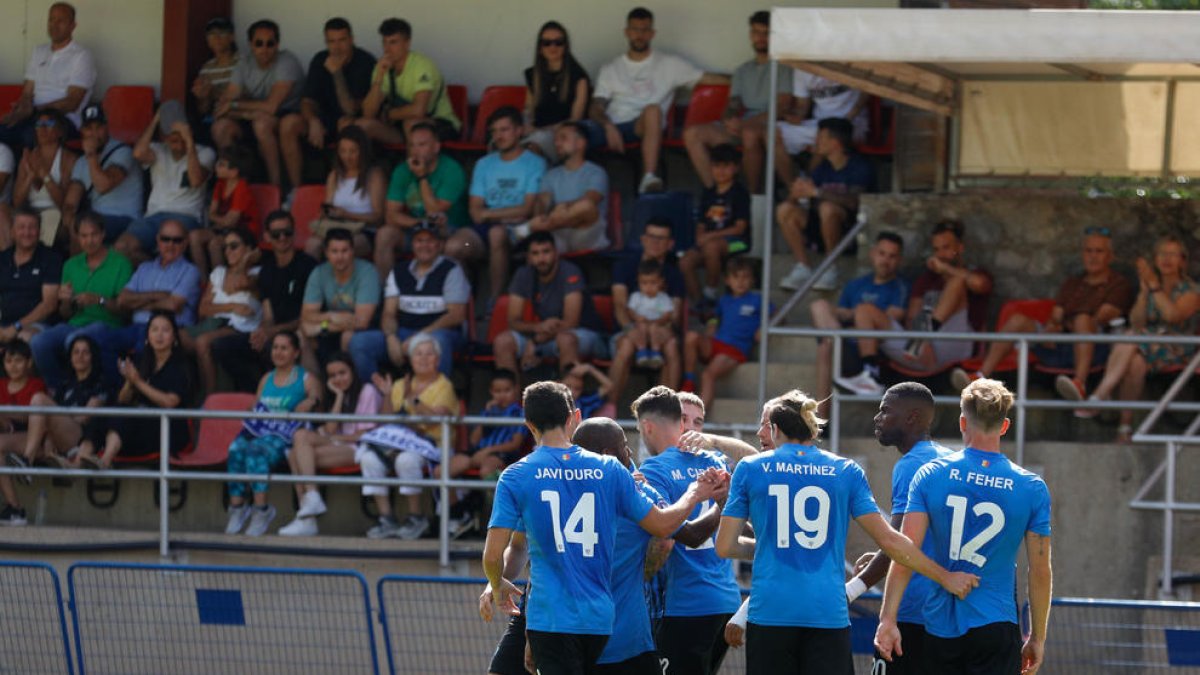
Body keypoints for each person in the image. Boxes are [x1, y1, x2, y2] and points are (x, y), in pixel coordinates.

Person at [716, 389, 979, 674]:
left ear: (775, 429)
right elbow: (891, 540)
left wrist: (768, 548)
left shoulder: (751, 468)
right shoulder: (845, 470)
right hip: (828, 614)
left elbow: (724, 547)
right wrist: (944, 576)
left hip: (770, 614)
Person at [481, 380, 728, 674]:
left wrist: (495, 584)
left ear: (528, 424)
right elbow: (665, 529)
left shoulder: (516, 476)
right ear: (574, 417)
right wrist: (697, 494)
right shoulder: (613, 471)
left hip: (550, 615)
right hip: (601, 619)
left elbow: (500, 555)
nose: (631, 455)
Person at [875, 379, 1052, 675]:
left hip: (940, 625)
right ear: (1005, 426)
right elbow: (1040, 570)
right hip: (996, 624)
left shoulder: (929, 474)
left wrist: (888, 619)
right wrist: (1037, 637)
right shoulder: (1031, 487)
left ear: (961, 422)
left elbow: (905, 550)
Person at [839, 382, 953, 675]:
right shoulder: (951, 460)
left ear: (912, 417)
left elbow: (898, 544)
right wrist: (879, 556)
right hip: (951, 613)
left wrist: (851, 590)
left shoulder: (911, 465)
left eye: (885, 411)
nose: (877, 418)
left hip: (912, 612)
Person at [632, 386, 741, 675]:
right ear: (680, 424)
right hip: (726, 600)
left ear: (647, 427)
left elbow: (670, 540)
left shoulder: (654, 470)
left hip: (685, 605)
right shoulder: (715, 462)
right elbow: (752, 456)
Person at [952, 227, 1134, 399]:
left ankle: (1080, 383)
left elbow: (1100, 318)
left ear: (1110, 256)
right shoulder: (1074, 283)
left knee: (1082, 320)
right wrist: (1052, 326)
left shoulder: (1118, 284)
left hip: (1095, 346)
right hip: (1061, 341)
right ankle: (980, 377)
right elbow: (1057, 313)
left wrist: (1067, 323)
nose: (1092, 257)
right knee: (1017, 321)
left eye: (1098, 251)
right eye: (1088, 251)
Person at [841, 219, 993, 395]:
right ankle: (871, 376)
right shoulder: (926, 280)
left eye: (946, 248)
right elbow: (912, 317)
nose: (940, 254)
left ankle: (924, 334)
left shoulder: (973, 273)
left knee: (956, 281)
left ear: (960, 247)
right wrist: (920, 339)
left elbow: (980, 284)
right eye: (936, 250)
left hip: (955, 343)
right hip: (918, 348)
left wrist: (946, 269)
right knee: (865, 309)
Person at [1078, 235, 1200, 442]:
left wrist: (1154, 288)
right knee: (1135, 362)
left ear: (1182, 261)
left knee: (1131, 339)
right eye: (1162, 254)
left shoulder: (1191, 291)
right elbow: (1136, 321)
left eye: (1172, 254)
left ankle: (1099, 395)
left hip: (1177, 347)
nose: (1166, 259)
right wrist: (1144, 294)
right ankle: (1124, 428)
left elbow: (1173, 316)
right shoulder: (1151, 288)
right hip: (1145, 344)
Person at [591, 7, 724, 194]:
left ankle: (649, 178)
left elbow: (706, 78)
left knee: (653, 110)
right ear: (627, 32)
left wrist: (742, 81)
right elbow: (597, 106)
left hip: (642, 128)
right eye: (635, 29)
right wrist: (607, 126)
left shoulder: (669, 64)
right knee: (572, 136)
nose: (640, 35)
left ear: (652, 34)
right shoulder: (611, 68)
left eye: (645, 30)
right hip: (611, 127)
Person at [223, 331, 321, 537]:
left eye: (284, 348)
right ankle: (237, 509)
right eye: (275, 347)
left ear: (296, 353)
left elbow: (317, 403)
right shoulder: (266, 378)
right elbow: (257, 406)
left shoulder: (306, 378)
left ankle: (261, 511)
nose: (278, 352)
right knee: (235, 449)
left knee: (255, 452)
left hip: (284, 437)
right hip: (260, 430)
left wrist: (311, 402)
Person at [682, 11, 792, 193]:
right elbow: (734, 103)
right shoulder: (743, 70)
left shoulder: (784, 67)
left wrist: (747, 123)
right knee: (692, 134)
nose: (760, 38)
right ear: (750, 35)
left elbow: (783, 106)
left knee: (749, 133)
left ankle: (752, 196)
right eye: (756, 32)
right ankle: (717, 194)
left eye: (766, 33)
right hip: (744, 126)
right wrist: (729, 120)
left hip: (769, 127)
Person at [362, 334, 459, 540]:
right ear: (411, 359)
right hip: (401, 442)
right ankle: (386, 518)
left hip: (434, 445)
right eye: (418, 354)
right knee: (369, 458)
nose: (423, 358)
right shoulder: (400, 384)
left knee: (406, 460)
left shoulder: (444, 385)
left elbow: (435, 420)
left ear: (438, 360)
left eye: (429, 354)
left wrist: (412, 400)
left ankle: (416, 517)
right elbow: (386, 420)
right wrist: (388, 394)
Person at [278, 352, 383, 537]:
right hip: (339, 444)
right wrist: (339, 397)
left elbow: (366, 434)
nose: (338, 379)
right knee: (298, 442)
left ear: (352, 371)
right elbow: (331, 430)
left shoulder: (367, 390)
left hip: (361, 448)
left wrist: (337, 439)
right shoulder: (337, 393)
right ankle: (311, 500)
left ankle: (307, 517)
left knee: (298, 454)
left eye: (342, 373)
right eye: (333, 376)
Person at [212, 211, 316, 392]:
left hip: (301, 331)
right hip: (275, 333)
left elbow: (307, 317)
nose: (282, 237)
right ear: (267, 237)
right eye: (276, 234)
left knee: (272, 346)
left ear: (295, 233)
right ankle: (254, 395)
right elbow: (268, 314)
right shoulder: (267, 270)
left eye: (287, 232)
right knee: (222, 346)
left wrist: (269, 332)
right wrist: (261, 332)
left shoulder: (308, 265)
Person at [350, 220, 469, 377]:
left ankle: (436, 396)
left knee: (438, 340)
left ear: (440, 245)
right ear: (412, 244)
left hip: (441, 333)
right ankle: (376, 394)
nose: (424, 246)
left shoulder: (451, 269)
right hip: (403, 333)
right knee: (359, 342)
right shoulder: (399, 271)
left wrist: (419, 338)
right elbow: (389, 313)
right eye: (419, 241)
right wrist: (391, 337)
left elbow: (456, 315)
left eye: (430, 241)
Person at [74, 311, 191, 469]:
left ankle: (105, 460)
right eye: (154, 330)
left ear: (174, 337)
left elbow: (169, 402)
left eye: (165, 330)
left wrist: (138, 381)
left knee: (125, 417)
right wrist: (129, 381)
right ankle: (77, 463)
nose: (159, 335)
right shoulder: (141, 360)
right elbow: (123, 399)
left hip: (166, 430)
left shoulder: (179, 366)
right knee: (103, 415)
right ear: (147, 336)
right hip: (138, 427)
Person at [30, 212, 131, 391]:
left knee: (74, 340)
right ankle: (59, 390)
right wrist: (66, 301)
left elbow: (125, 310)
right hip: (75, 323)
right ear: (77, 237)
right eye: (84, 236)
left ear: (103, 234)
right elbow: (65, 313)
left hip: (106, 325)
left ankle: (83, 390)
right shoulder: (71, 264)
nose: (89, 241)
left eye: (94, 235)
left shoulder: (121, 263)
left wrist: (98, 300)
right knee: (38, 342)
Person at [776, 117, 875, 292]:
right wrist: (796, 194)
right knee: (784, 209)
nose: (816, 142)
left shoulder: (859, 166)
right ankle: (803, 266)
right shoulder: (822, 168)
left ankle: (831, 268)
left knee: (827, 208)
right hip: (819, 228)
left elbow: (854, 202)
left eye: (821, 138)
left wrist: (817, 192)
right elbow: (800, 200)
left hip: (849, 233)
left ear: (835, 142)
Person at [98, 219, 201, 383]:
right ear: (158, 240)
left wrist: (138, 303)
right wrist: (158, 295)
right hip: (137, 327)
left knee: (143, 349)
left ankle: (140, 397)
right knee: (100, 343)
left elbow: (173, 304)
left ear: (186, 242)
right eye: (166, 239)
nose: (170, 244)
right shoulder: (144, 268)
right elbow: (123, 300)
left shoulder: (191, 271)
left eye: (177, 240)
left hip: (169, 330)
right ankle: (119, 395)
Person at [280, 18, 375, 192]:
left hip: (354, 121)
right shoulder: (320, 59)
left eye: (342, 40)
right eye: (331, 41)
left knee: (345, 124)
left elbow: (351, 109)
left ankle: (344, 189)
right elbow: (307, 101)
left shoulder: (365, 62)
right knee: (289, 123)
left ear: (352, 39)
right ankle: (296, 191)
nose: (337, 47)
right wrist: (313, 120)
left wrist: (337, 73)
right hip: (325, 119)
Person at [493, 231, 606, 377]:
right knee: (503, 341)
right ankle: (510, 398)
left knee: (565, 339)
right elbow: (513, 321)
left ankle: (568, 397)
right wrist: (537, 327)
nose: (541, 258)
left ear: (556, 253)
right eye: (535, 253)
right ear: (529, 257)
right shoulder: (523, 274)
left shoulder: (570, 272)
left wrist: (535, 340)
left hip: (584, 333)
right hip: (546, 333)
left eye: (546, 252)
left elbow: (571, 322)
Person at [210, 19, 305, 191]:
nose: (265, 49)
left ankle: (275, 188)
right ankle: (231, 187)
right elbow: (223, 106)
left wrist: (235, 105)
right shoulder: (243, 64)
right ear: (251, 45)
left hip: (286, 115)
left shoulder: (287, 61)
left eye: (270, 43)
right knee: (220, 127)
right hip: (254, 115)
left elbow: (271, 107)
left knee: (261, 123)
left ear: (277, 44)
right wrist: (239, 109)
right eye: (259, 43)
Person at [814, 232, 906, 407]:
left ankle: (822, 419)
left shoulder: (900, 286)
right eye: (882, 253)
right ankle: (822, 426)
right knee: (819, 306)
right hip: (848, 342)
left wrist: (856, 314)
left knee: (826, 348)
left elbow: (895, 317)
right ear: (872, 253)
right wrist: (852, 318)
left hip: (877, 348)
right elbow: (840, 314)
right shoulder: (855, 285)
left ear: (899, 260)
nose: (885, 260)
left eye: (892, 256)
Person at [466, 107, 546, 303]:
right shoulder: (483, 164)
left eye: (504, 130)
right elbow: (476, 213)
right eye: (494, 131)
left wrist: (489, 214)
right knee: (456, 246)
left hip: (521, 230)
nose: (498, 136)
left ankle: (495, 301)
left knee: (497, 234)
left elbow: (527, 209)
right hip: (485, 229)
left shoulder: (535, 163)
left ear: (519, 131)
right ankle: (463, 305)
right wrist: (500, 216)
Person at [605, 219, 686, 412]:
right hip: (629, 329)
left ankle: (668, 410)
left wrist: (659, 329)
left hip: (660, 329)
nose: (655, 242)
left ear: (670, 243)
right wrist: (630, 330)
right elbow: (619, 304)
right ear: (643, 239)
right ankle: (609, 407)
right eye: (651, 237)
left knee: (672, 345)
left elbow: (674, 314)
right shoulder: (625, 266)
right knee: (625, 345)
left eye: (661, 238)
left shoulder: (674, 274)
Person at [118, 110, 215, 265]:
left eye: (182, 138)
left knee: (169, 248)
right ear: (166, 137)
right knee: (121, 248)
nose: (178, 143)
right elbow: (137, 154)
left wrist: (189, 141)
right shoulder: (158, 149)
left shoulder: (205, 153)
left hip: (186, 217)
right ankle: (154, 268)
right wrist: (157, 119)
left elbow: (196, 180)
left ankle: (162, 269)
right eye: (174, 139)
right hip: (153, 216)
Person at [0, 2, 96, 150]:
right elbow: (27, 92)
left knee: (29, 134)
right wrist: (22, 109)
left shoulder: (81, 56)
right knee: (4, 129)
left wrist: (35, 110)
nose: (54, 25)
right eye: (51, 20)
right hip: (34, 115)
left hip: (63, 119)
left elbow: (72, 102)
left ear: (73, 25)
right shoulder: (39, 51)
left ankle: (28, 173)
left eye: (60, 21)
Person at [353, 18, 460, 145]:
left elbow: (419, 110)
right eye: (384, 43)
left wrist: (388, 115)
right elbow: (368, 113)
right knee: (361, 125)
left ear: (407, 43)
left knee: (412, 124)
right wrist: (379, 77)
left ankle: (413, 165)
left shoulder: (422, 65)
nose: (387, 49)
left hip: (439, 123)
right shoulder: (382, 67)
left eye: (393, 42)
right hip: (401, 125)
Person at [12, 335, 108, 474]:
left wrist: (52, 427)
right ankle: (13, 493)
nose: (80, 356)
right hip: (53, 437)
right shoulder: (65, 385)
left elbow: (84, 418)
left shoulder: (100, 384)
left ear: (93, 356)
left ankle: (27, 460)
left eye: (85, 352)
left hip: (80, 439)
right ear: (70, 357)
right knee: (2, 443)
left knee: (39, 399)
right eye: (76, 352)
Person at [683, 257, 770, 411]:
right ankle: (689, 381)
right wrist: (712, 324)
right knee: (691, 337)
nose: (741, 282)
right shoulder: (724, 300)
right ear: (728, 281)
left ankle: (697, 417)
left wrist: (765, 326)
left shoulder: (757, 299)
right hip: (717, 343)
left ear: (752, 280)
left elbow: (779, 316)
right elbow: (714, 317)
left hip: (735, 349)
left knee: (708, 374)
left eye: (745, 277)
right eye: (736, 277)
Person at [379, 122, 469, 269]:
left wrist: (422, 177)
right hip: (417, 229)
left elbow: (435, 213)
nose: (415, 151)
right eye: (412, 145)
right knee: (384, 234)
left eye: (422, 145)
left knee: (455, 244)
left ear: (436, 147)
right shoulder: (402, 170)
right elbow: (391, 215)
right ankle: (387, 289)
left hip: (452, 232)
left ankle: (453, 290)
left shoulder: (452, 170)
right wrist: (419, 223)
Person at [183, 228, 261, 394]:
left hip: (240, 327)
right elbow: (203, 309)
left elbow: (239, 284)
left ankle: (209, 397)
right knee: (176, 336)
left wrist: (245, 262)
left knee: (203, 342)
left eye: (234, 246)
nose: (228, 251)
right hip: (214, 323)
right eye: (225, 247)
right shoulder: (218, 273)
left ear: (249, 249)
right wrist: (232, 306)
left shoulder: (258, 273)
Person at [298, 228, 380, 379]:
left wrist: (320, 327)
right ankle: (316, 389)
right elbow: (307, 315)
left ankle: (351, 391)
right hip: (335, 326)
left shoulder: (367, 272)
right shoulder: (319, 272)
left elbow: (361, 322)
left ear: (353, 251)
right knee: (301, 333)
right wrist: (332, 316)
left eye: (344, 251)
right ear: (326, 253)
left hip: (368, 329)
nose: (340, 257)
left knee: (348, 336)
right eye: (334, 251)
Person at [302, 126, 386, 264]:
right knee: (312, 245)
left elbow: (378, 217)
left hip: (364, 231)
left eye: (353, 151)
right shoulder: (334, 176)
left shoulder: (374, 175)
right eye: (343, 151)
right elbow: (328, 205)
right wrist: (326, 213)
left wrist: (347, 215)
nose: (347, 156)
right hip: (336, 228)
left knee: (341, 249)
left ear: (363, 151)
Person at [680, 143, 750, 305]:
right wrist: (699, 237)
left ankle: (711, 291)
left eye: (726, 166)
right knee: (685, 261)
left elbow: (740, 228)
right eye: (716, 166)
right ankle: (699, 302)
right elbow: (702, 223)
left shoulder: (740, 193)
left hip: (738, 243)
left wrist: (709, 237)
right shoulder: (708, 192)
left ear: (736, 168)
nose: (720, 171)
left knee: (711, 247)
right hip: (709, 241)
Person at [62, 104, 145, 242]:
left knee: (87, 230)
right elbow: (71, 202)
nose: (94, 134)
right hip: (96, 219)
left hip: (126, 219)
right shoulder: (82, 161)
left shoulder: (123, 152)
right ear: (82, 131)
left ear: (107, 127)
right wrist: (71, 222)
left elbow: (103, 186)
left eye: (99, 127)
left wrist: (91, 155)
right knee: (74, 231)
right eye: (89, 128)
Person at [522, 21, 600, 161]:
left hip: (561, 134)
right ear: (540, 47)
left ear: (566, 46)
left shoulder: (579, 77)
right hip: (535, 133)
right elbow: (529, 109)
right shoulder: (532, 74)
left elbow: (575, 119)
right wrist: (526, 124)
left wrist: (541, 131)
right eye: (547, 43)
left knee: (532, 149)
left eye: (558, 42)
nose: (553, 47)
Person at [775, 71, 868, 185]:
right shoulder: (802, 69)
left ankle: (809, 187)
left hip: (851, 121)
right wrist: (796, 116)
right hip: (819, 122)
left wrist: (846, 120)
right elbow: (802, 105)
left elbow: (866, 91)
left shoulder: (846, 58)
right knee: (773, 133)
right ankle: (795, 189)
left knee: (824, 138)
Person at [529, 121, 608, 254]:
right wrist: (540, 210)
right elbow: (543, 202)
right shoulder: (551, 174)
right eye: (556, 140)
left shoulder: (596, 172)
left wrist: (562, 207)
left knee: (585, 206)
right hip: (558, 235)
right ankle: (539, 228)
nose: (557, 143)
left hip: (585, 233)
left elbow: (590, 201)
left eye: (563, 138)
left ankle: (528, 229)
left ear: (580, 143)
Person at [10, 109, 77, 249]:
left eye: (49, 123)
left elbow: (64, 203)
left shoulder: (68, 159)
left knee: (50, 217)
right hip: (29, 211)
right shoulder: (27, 158)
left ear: (60, 132)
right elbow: (17, 202)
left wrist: (44, 175)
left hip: (55, 213)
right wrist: (29, 177)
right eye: (39, 124)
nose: (43, 128)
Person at [0, 208, 62, 345]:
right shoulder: (3, 259)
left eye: (32, 227)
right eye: (21, 227)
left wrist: (16, 327)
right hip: (4, 323)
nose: (26, 232)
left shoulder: (51, 259)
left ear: (40, 231)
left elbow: (49, 305)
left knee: (23, 339)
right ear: (12, 232)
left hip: (36, 325)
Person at [194, 145, 258, 277]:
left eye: (221, 164)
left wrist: (219, 219)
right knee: (194, 236)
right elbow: (213, 215)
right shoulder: (220, 184)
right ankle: (203, 279)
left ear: (234, 171)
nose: (216, 166)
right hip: (226, 229)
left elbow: (230, 221)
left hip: (245, 230)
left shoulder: (242, 188)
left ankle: (220, 280)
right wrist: (222, 220)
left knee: (215, 244)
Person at [458, 369, 526, 481]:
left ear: (516, 389)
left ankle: (493, 499)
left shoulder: (520, 412)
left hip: (504, 455)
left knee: (487, 470)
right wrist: (487, 415)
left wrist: (488, 451)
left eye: (507, 390)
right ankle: (457, 498)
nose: (502, 395)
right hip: (479, 451)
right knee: (442, 470)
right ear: (491, 391)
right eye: (497, 391)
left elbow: (515, 443)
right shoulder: (488, 410)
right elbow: (474, 440)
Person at [191, 17, 239, 135]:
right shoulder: (207, 68)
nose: (216, 38)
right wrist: (204, 97)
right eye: (211, 34)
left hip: (237, 116)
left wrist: (213, 92)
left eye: (222, 33)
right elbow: (203, 110)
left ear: (232, 37)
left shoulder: (243, 62)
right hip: (212, 118)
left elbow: (245, 96)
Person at [626, 260, 677, 369]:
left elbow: (667, 314)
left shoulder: (662, 298)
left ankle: (655, 352)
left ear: (661, 282)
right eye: (644, 283)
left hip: (656, 326)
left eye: (653, 283)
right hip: (641, 325)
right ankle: (642, 351)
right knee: (642, 326)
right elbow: (630, 311)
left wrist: (658, 321)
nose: (648, 287)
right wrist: (636, 317)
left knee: (653, 327)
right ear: (639, 283)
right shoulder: (636, 297)